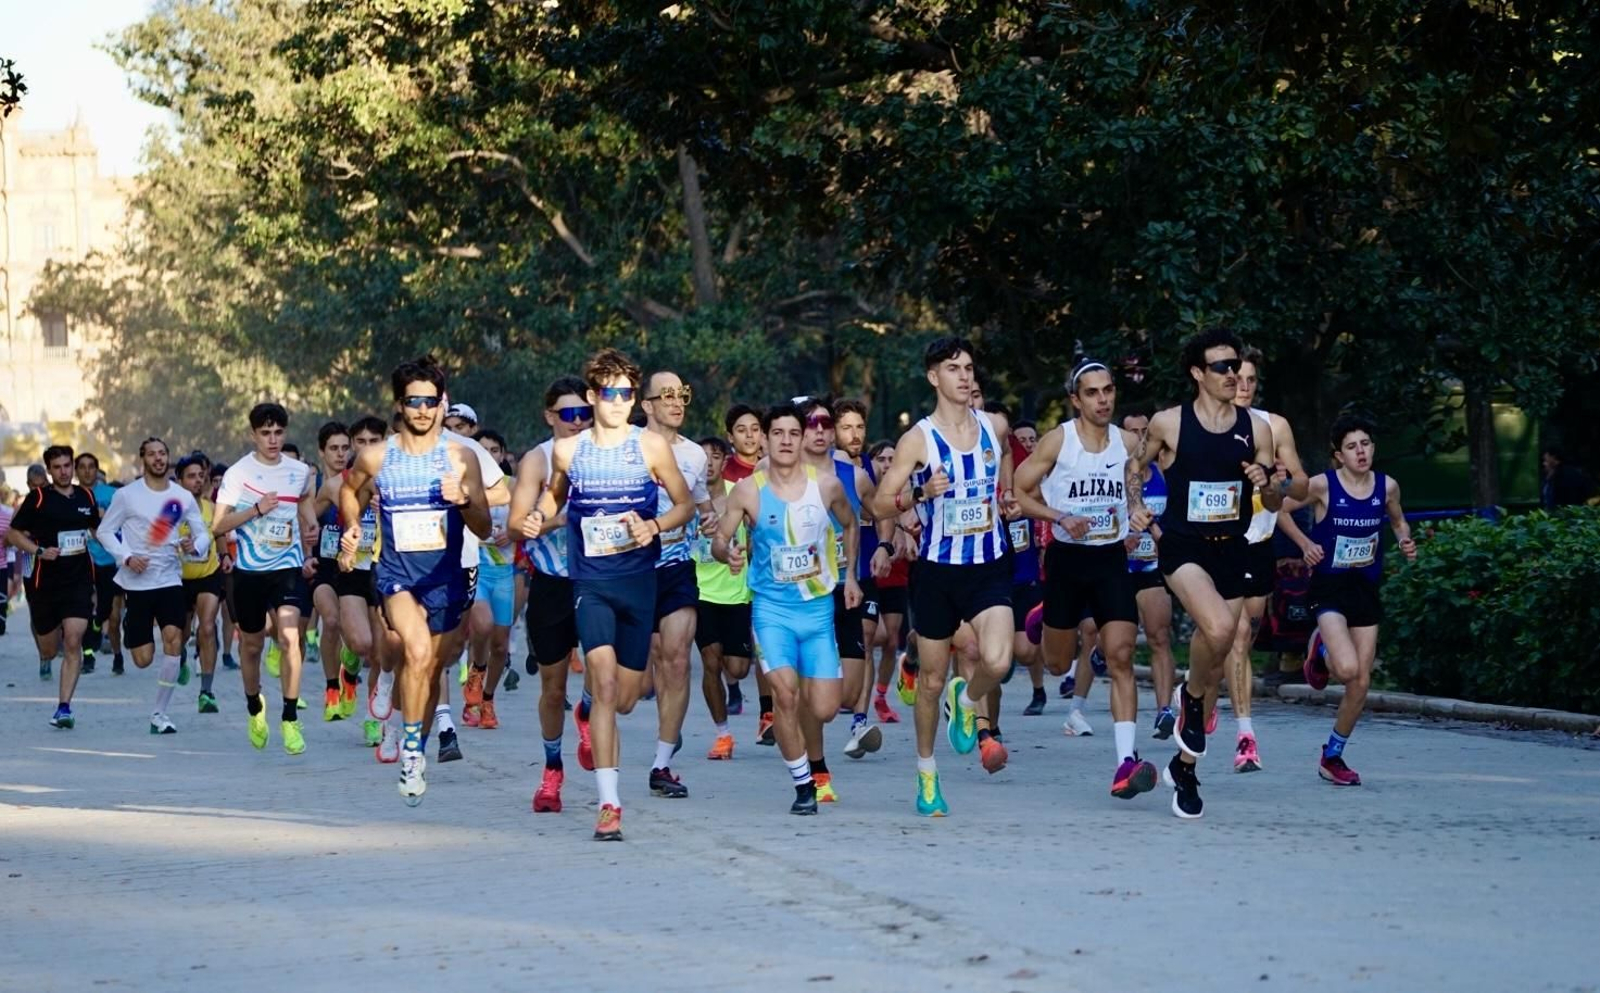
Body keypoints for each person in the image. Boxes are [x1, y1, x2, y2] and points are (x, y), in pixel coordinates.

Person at [521, 348, 694, 840]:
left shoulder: (651, 448)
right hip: (590, 583)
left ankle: (588, 709)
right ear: (594, 396)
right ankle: (609, 804)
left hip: (640, 583)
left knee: (626, 696)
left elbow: (683, 505)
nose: (618, 401)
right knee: (603, 680)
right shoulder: (569, 451)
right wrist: (539, 514)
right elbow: (556, 494)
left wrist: (654, 525)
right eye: (609, 393)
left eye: (626, 394)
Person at [1125, 327, 1284, 819]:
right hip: (1182, 547)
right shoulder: (1170, 423)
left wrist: (1269, 483)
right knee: (1219, 629)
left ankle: (1185, 766)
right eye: (1221, 366)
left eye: (1235, 364)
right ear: (1198, 372)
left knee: (1214, 663)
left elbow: (1276, 497)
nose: (1233, 373)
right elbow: (1134, 468)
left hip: (1232, 549)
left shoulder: (1257, 429)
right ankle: (1191, 702)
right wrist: (1137, 509)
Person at [869, 337, 1020, 816]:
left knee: (998, 660)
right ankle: (927, 774)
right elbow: (877, 505)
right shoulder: (918, 439)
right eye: (953, 368)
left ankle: (968, 696)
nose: (965, 376)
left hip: (989, 562)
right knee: (931, 682)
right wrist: (918, 491)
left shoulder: (995, 427)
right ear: (934, 377)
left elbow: (1006, 477)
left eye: (970, 368)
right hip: (936, 571)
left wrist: (1008, 500)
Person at [340, 357, 492, 805]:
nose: (423, 410)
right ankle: (409, 751)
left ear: (442, 403)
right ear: (399, 405)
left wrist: (463, 499)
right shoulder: (377, 456)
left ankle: (415, 740)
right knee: (418, 650)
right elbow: (352, 489)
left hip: (446, 577)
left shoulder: (461, 456)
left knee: (432, 665)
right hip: (397, 575)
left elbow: (483, 527)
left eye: (431, 401)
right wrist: (353, 524)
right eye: (414, 402)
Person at [1015, 359, 1158, 801]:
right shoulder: (1059, 441)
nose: (1103, 400)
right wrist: (1061, 515)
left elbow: (1135, 483)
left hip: (1111, 559)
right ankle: (1046, 618)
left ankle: (1124, 763)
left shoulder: (1130, 442)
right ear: (1076, 400)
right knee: (1058, 663)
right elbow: (1019, 491)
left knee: (1118, 656)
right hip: (1066, 560)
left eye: (1108, 391)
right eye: (1093, 393)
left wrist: (1134, 511)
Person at [712, 402, 861, 814]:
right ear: (764, 438)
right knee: (785, 694)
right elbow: (719, 541)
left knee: (827, 706)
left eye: (793, 433)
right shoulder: (748, 491)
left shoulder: (826, 485)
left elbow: (850, 523)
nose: (785, 441)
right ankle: (803, 784)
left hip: (816, 613)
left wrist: (849, 577)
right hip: (771, 612)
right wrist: (730, 555)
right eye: (776, 433)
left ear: (802, 439)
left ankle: (810, 761)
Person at [1277, 415, 1417, 786]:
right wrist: (1306, 544)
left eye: (1366, 444)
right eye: (1352, 446)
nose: (1361, 452)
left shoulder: (1387, 487)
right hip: (1329, 588)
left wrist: (1404, 539)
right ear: (1338, 455)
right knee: (1346, 669)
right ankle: (1318, 647)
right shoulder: (1323, 485)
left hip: (1365, 588)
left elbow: (1399, 520)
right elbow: (1278, 509)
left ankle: (1333, 755)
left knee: (1361, 683)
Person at [1218, 347, 1309, 773]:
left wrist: (1281, 481)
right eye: (1238, 379)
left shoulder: (1275, 426)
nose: (1244, 388)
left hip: (1256, 543)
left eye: (1252, 380)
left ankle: (1196, 691)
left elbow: (1302, 485)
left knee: (1242, 639)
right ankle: (1246, 735)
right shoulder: (1205, 425)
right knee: (1227, 637)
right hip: (1211, 543)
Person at [212, 402, 320, 755]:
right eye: (265, 433)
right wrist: (256, 509)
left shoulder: (298, 470)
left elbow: (303, 502)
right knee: (253, 646)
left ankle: (289, 717)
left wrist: (310, 522)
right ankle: (254, 707)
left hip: (286, 566)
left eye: (278, 433)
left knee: (291, 636)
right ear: (253, 435)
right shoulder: (238, 474)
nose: (273, 440)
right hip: (249, 572)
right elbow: (219, 525)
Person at [508, 376, 593, 812]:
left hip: (597, 579)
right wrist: (558, 519)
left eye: (585, 414)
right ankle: (552, 770)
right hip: (551, 582)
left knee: (606, 672)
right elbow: (512, 526)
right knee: (553, 689)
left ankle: (589, 714)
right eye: (568, 415)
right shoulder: (537, 462)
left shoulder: (608, 456)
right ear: (550, 417)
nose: (577, 422)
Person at [96, 438, 211, 734]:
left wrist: (192, 545)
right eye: (152, 455)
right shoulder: (127, 496)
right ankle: (127, 626)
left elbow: (202, 535)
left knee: (174, 640)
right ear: (143, 459)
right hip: (137, 585)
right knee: (143, 659)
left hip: (170, 579)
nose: (158, 459)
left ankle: (160, 713)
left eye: (163, 454)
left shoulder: (181, 496)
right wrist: (126, 557)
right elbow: (104, 531)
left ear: (168, 459)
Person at [640, 370, 717, 799]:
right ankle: (592, 710)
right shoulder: (628, 447)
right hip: (631, 571)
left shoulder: (694, 455)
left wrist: (714, 527)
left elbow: (703, 506)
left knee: (677, 659)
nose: (676, 402)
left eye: (681, 394)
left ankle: (662, 763)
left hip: (676, 567)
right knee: (632, 682)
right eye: (665, 395)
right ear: (646, 405)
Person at [6, 446, 100, 726]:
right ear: (49, 470)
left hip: (79, 579)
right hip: (45, 583)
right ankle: (45, 638)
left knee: (73, 641)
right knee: (49, 649)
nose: (64, 471)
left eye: (67, 466)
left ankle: (64, 708)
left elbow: (98, 528)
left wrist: (124, 549)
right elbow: (12, 533)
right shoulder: (37, 499)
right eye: (57, 467)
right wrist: (38, 550)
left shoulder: (86, 496)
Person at [1119, 410, 1179, 739]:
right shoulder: (1114, 475)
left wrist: (1160, 536)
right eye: (1135, 432)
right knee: (1119, 646)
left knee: (1159, 636)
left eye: (1146, 431)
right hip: (1117, 569)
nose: (1142, 438)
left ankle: (1164, 710)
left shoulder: (1163, 473)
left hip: (1152, 567)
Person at [693, 435, 753, 760]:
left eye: (715, 457)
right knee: (710, 662)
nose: (709, 463)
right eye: (703, 458)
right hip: (700, 593)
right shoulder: (686, 500)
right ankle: (723, 734)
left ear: (724, 461)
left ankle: (736, 687)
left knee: (739, 668)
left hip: (736, 592)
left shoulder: (738, 496)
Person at [464, 428, 517, 729]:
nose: (489, 455)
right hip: (476, 568)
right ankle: (476, 670)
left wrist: (513, 531)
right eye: (482, 450)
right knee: (481, 624)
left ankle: (487, 699)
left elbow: (529, 519)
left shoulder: (513, 485)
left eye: (494, 450)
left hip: (504, 572)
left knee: (500, 644)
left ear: (502, 454)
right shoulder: (466, 486)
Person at [176, 455, 225, 714]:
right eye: (191, 477)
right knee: (180, 634)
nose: (197, 481)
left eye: (200, 476)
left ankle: (206, 691)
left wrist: (225, 555)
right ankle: (181, 654)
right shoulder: (169, 511)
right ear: (179, 480)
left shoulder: (212, 508)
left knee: (206, 628)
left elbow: (220, 533)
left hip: (209, 574)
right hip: (179, 579)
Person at [75, 452, 123, 675]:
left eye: (91, 467)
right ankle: (87, 656)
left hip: (109, 560)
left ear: (97, 470)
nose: (86, 471)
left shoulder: (112, 494)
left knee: (109, 613)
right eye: (82, 467)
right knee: (82, 608)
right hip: (81, 560)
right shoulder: (71, 496)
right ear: (77, 471)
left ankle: (114, 649)